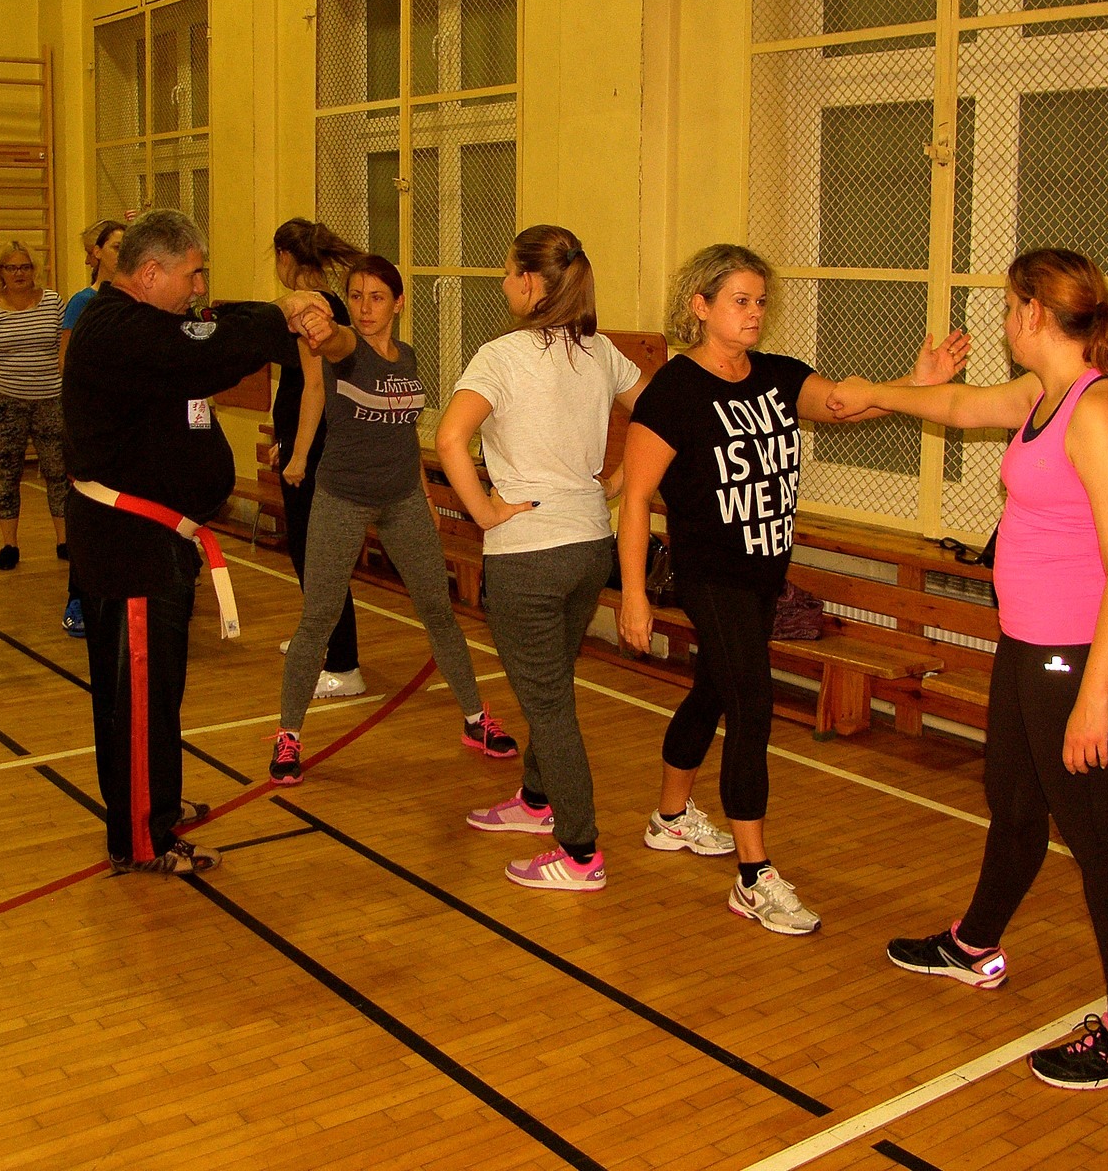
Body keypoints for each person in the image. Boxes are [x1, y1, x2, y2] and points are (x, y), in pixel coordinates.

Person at [825, 248, 1108, 1089]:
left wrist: (1094, 699)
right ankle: (974, 944)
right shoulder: (1043, 393)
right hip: (1031, 642)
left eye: (1011, 306)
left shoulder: (1099, 411)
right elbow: (958, 404)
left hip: (1080, 655)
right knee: (1012, 800)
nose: (1005, 321)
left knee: (1099, 840)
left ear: (1034, 313)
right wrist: (879, 391)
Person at [617, 243, 968, 935]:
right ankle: (754, 876)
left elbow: (842, 407)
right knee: (753, 704)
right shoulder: (674, 392)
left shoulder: (778, 376)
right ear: (701, 306)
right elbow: (635, 500)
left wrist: (912, 383)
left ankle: (670, 817)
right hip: (711, 573)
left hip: (763, 573)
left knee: (715, 688)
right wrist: (635, 594)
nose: (754, 313)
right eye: (739, 301)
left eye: (760, 301)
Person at [63, 208, 331, 875]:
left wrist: (288, 312)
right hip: (129, 546)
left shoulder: (145, 325)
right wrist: (279, 316)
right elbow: (204, 346)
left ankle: (150, 801)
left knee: (154, 692)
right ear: (150, 274)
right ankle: (143, 837)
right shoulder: (116, 329)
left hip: (153, 543)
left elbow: (210, 325)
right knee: (138, 697)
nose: (200, 286)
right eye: (193, 273)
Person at [436, 224, 648, 892]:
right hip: (588, 548)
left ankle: (580, 852)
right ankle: (535, 800)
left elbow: (449, 438)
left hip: (529, 556)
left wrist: (484, 512)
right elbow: (662, 415)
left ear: (531, 282)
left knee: (550, 705)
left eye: (508, 273)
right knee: (551, 684)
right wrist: (619, 481)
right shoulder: (600, 351)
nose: (504, 284)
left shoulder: (501, 355)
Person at [268, 255, 519, 786]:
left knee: (439, 612)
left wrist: (424, 493)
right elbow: (337, 341)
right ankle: (288, 736)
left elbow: (402, 432)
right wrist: (320, 325)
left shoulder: (406, 357)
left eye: (377, 297)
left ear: (399, 303)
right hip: (342, 499)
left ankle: (476, 720)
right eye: (356, 296)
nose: (365, 308)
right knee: (318, 618)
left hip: (402, 499)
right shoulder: (345, 351)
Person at [268, 218, 366, 698]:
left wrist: (300, 455)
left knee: (318, 555)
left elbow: (315, 388)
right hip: (306, 440)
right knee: (307, 551)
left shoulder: (311, 308)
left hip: (318, 449)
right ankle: (320, 638)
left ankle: (345, 666)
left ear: (286, 256)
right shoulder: (327, 303)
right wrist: (286, 442)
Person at [0, 240, 67, 571]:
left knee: (57, 471)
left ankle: (64, 540)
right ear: (0, 272)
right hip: (7, 401)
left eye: (24, 267)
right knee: (9, 472)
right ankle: (9, 544)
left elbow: (64, 349)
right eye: (11, 268)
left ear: (34, 270)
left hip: (51, 398)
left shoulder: (53, 302)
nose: (18, 273)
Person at [55, 221, 125, 639]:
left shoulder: (137, 301)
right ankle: (77, 598)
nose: (122, 252)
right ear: (97, 253)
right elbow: (67, 362)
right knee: (88, 509)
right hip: (94, 424)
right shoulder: (84, 302)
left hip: (127, 426)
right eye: (115, 246)